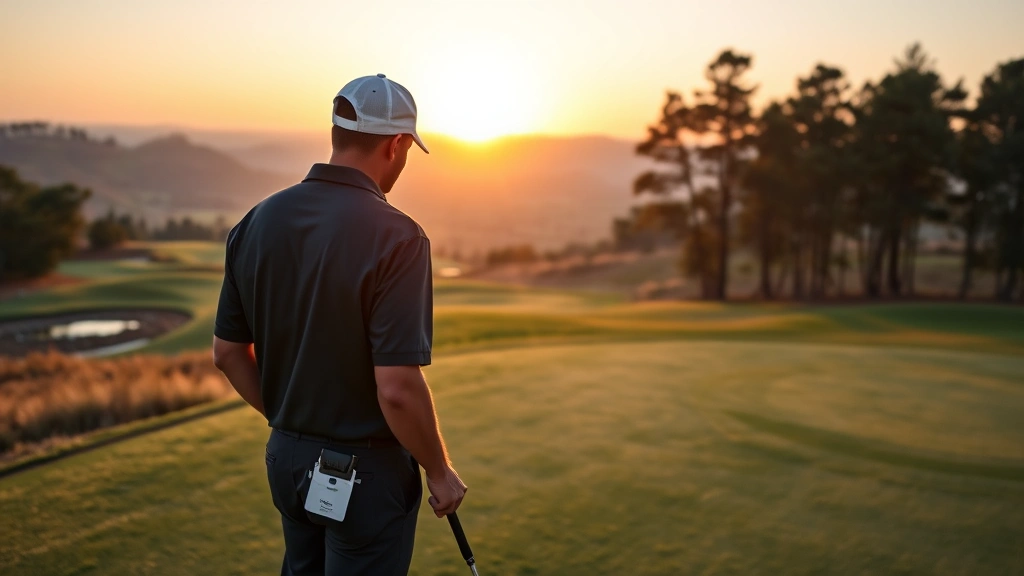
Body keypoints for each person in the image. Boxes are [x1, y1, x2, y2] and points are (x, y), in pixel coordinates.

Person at [212, 73, 467, 575]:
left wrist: (290, 417)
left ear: (336, 132)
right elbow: (395, 388)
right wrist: (440, 472)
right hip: (366, 476)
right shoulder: (399, 236)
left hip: (285, 459)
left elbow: (226, 354)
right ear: (396, 145)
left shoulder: (255, 221)